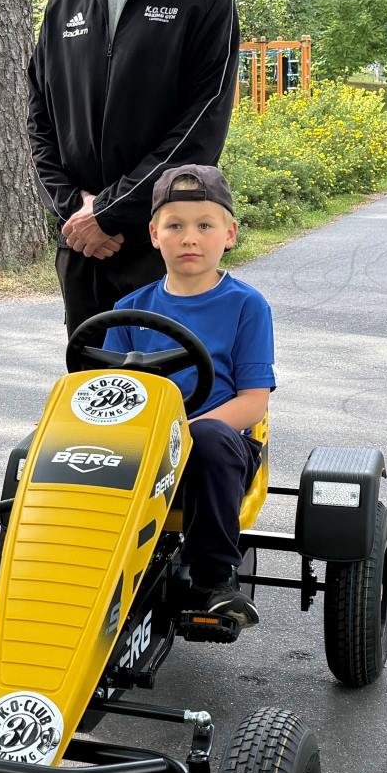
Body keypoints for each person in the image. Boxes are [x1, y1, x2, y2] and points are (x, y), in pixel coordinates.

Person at [28, 0, 241, 334]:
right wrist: (77, 213)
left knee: (166, 398)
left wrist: (109, 211)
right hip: (81, 247)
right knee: (90, 394)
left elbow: (200, 128)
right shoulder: (67, 0)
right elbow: (39, 118)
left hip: (161, 245)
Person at [100, 164, 272, 632]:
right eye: (175, 225)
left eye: (204, 225)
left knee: (213, 439)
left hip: (220, 444)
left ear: (229, 234)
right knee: (42, 450)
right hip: (141, 444)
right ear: (155, 234)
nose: (189, 237)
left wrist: (184, 434)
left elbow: (254, 401)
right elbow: (110, 392)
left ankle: (215, 578)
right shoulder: (128, 309)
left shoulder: (246, 306)